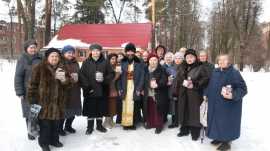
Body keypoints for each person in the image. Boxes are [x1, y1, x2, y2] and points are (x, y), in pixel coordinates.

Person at [27, 48, 71, 151]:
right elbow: (32, 85)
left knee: (56, 124)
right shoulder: (39, 68)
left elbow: (70, 84)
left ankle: (54, 140)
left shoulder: (63, 68)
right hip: (43, 104)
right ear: (47, 57)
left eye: (56, 56)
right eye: (52, 56)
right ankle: (44, 143)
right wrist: (32, 99)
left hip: (58, 103)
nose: (55, 58)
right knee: (45, 126)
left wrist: (64, 80)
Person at [205, 54, 247, 151]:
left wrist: (233, 95)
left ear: (229, 61)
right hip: (214, 103)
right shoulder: (215, 71)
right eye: (220, 60)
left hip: (228, 105)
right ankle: (218, 137)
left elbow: (243, 89)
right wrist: (206, 94)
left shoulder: (234, 73)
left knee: (226, 122)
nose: (222, 62)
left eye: (224, 60)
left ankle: (226, 141)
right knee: (215, 120)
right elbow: (210, 85)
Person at [79, 43, 114, 135]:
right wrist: (87, 86)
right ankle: (89, 127)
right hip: (90, 90)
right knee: (90, 109)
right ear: (91, 51)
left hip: (102, 89)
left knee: (100, 109)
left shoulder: (105, 62)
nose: (96, 52)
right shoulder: (86, 62)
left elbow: (111, 74)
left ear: (100, 51)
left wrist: (104, 79)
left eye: (97, 51)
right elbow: (82, 75)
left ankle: (99, 126)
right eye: (94, 50)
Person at [175, 48, 210, 141]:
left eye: (191, 57)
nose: (189, 59)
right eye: (187, 57)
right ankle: (184, 128)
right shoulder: (182, 66)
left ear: (195, 58)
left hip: (194, 93)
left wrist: (195, 84)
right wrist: (181, 83)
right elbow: (178, 78)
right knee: (183, 110)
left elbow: (205, 79)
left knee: (194, 112)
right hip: (183, 92)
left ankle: (195, 130)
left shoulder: (200, 67)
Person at [14, 39, 42, 140]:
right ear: (26, 49)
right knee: (29, 113)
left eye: (34, 47)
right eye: (31, 47)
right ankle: (30, 132)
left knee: (38, 111)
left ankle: (37, 129)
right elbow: (18, 76)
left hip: (39, 91)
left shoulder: (40, 58)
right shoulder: (22, 59)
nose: (33, 49)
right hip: (27, 91)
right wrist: (20, 92)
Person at [118, 43, 145, 130]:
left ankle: (133, 122)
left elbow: (142, 76)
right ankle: (125, 123)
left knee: (135, 105)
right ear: (126, 52)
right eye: (128, 51)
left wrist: (139, 88)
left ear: (134, 52)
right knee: (125, 105)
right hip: (125, 86)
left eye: (131, 51)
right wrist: (120, 88)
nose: (130, 53)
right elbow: (118, 77)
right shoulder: (122, 62)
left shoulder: (139, 61)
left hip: (135, 86)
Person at [58, 45, 82, 136]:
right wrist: (70, 78)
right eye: (68, 52)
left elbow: (79, 74)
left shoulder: (75, 63)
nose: (70, 54)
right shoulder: (60, 63)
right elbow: (59, 77)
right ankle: (60, 128)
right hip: (64, 91)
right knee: (64, 111)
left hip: (75, 90)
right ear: (63, 53)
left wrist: (79, 79)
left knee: (74, 110)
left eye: (72, 53)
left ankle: (68, 126)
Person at [143, 53, 168, 134]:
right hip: (148, 93)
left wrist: (158, 85)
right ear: (148, 61)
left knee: (158, 110)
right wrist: (142, 89)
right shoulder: (145, 69)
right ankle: (150, 123)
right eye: (151, 60)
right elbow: (142, 80)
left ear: (158, 61)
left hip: (158, 93)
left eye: (155, 60)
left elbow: (164, 80)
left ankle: (159, 125)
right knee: (149, 109)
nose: (153, 62)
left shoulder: (162, 69)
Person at [103, 53, 121, 129]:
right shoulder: (105, 67)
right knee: (108, 106)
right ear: (109, 59)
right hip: (107, 89)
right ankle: (106, 122)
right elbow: (108, 79)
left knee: (113, 106)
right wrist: (116, 75)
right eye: (112, 59)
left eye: (115, 59)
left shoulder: (117, 67)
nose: (114, 60)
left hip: (115, 89)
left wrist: (119, 74)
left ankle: (111, 121)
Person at [163, 52, 178, 128]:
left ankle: (174, 121)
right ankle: (163, 119)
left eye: (170, 57)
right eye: (167, 57)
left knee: (173, 105)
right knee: (164, 104)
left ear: (172, 58)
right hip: (163, 89)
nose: (168, 58)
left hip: (172, 89)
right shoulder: (162, 66)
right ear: (164, 58)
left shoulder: (175, 66)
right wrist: (166, 80)